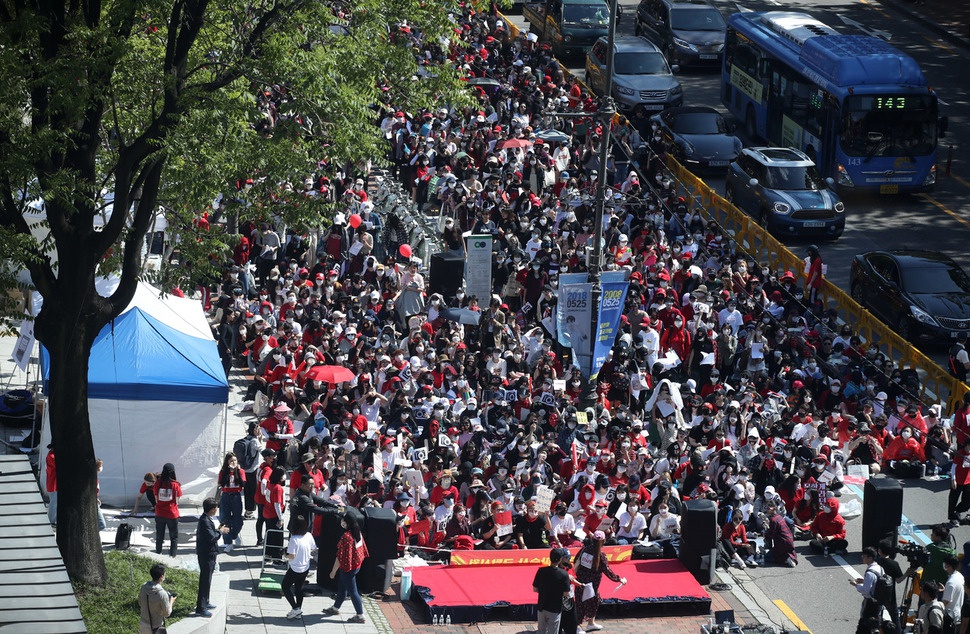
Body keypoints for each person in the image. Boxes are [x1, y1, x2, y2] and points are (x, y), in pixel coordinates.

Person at [575, 531, 626, 632]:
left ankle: (590, 623)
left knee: (593, 601)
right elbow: (607, 571)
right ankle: (577, 626)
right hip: (589, 584)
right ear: (604, 541)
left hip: (583, 582)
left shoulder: (585, 549)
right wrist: (619, 579)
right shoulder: (601, 555)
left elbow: (576, 560)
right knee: (583, 603)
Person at [324, 512, 369, 624]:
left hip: (347, 568)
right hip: (355, 566)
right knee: (343, 587)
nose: (342, 522)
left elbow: (340, 557)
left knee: (353, 591)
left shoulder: (346, 537)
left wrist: (333, 571)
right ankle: (335, 608)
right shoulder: (357, 532)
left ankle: (360, 615)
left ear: (347, 523)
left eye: (343, 520)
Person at [196, 497, 229, 617]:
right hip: (206, 554)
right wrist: (221, 532)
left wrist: (218, 529)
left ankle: (206, 601)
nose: (216, 510)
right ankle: (201, 607)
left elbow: (211, 533)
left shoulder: (206, 519)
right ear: (212, 509)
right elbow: (211, 537)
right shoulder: (204, 521)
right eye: (215, 508)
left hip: (209, 553)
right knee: (205, 580)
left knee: (208, 579)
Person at [283, 515, 317, 620]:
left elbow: (291, 556)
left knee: (285, 586)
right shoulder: (308, 535)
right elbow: (314, 548)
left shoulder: (294, 539)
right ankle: (298, 611)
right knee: (299, 588)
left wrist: (284, 555)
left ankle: (296, 608)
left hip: (295, 568)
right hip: (305, 567)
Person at [532, 547, 571, 634]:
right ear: (560, 559)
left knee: (541, 631)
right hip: (555, 607)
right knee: (553, 631)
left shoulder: (541, 571)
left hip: (542, 606)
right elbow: (566, 593)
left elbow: (535, 589)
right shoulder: (564, 574)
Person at [852, 546, 885, 634]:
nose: (862, 557)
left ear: (870, 558)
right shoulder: (880, 568)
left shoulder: (870, 573)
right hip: (878, 601)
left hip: (870, 603)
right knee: (874, 624)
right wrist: (864, 580)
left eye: (864, 556)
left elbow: (866, 590)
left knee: (864, 624)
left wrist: (856, 585)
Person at [217, 452, 246, 551]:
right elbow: (222, 483)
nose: (233, 462)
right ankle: (228, 542)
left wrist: (236, 471)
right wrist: (229, 472)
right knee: (225, 520)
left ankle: (234, 534)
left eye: (234, 460)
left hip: (236, 496)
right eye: (231, 461)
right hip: (226, 496)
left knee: (238, 520)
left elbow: (243, 484)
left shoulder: (240, 471)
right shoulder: (224, 471)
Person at [234, 422, 262, 520]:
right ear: (255, 430)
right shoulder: (255, 441)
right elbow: (263, 451)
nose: (260, 430)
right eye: (258, 428)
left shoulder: (247, 439)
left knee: (247, 491)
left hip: (245, 469)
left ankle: (247, 511)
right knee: (253, 491)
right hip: (253, 470)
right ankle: (249, 512)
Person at [153, 463, 182, 557]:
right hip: (172, 514)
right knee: (174, 537)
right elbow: (178, 500)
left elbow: (156, 498)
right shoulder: (175, 485)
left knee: (159, 536)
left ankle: (158, 554)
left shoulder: (158, 483)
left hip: (159, 513)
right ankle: (172, 556)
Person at [138, 563, 175, 634]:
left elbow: (140, 603)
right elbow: (167, 613)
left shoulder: (143, 587)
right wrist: (171, 602)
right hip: (156, 628)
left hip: (143, 625)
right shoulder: (162, 594)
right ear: (161, 576)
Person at [262, 466, 287, 560]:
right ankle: (277, 558)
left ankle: (267, 555)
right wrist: (281, 518)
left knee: (269, 536)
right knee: (277, 538)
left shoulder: (270, 484)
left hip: (268, 513)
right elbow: (277, 504)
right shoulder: (278, 488)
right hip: (274, 515)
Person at [763, 503, 797, 568]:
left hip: (782, 544)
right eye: (766, 508)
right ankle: (789, 557)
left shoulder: (773, 520)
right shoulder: (779, 516)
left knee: (767, 557)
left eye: (768, 508)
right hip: (789, 542)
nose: (766, 510)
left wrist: (765, 532)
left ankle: (786, 558)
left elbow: (771, 535)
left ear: (775, 508)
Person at [942, 554, 964, 633]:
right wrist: (945, 590)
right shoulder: (959, 576)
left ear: (948, 565)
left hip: (949, 618)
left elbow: (945, 602)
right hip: (957, 615)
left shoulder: (951, 582)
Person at [45, 444, 57, 526]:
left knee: (54, 503)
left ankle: (53, 519)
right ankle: (51, 520)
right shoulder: (52, 457)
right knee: (54, 503)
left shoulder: (50, 455)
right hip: (54, 484)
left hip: (53, 483)